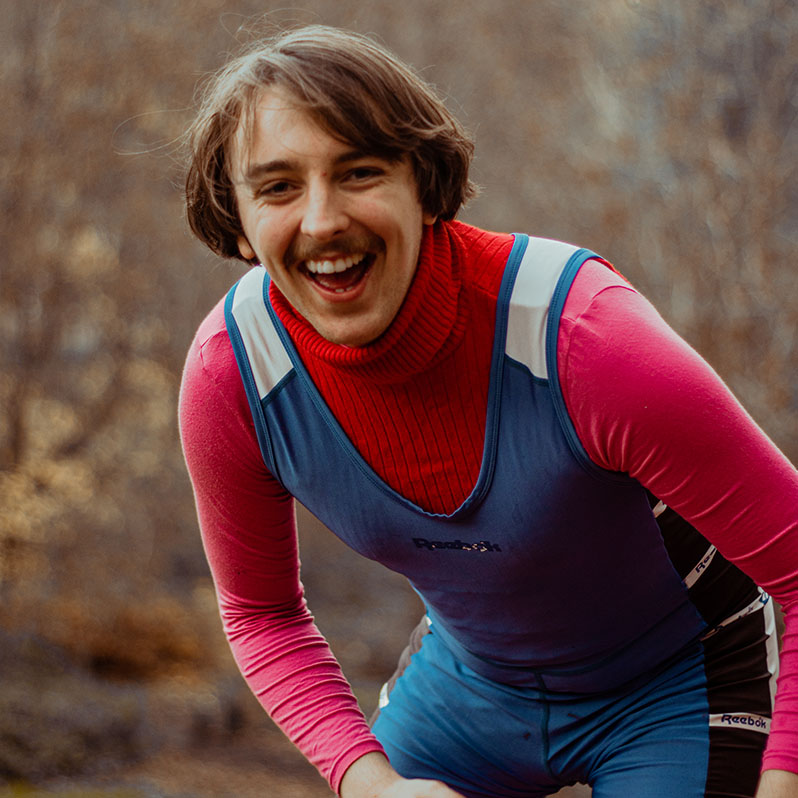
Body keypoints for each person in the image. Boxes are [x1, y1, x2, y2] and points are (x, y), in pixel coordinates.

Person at [178, 25, 798, 798]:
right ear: (235, 222)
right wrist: (372, 785)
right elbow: (261, 611)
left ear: (424, 185)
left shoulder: (584, 341)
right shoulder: (235, 377)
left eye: (359, 172)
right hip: (471, 691)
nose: (322, 220)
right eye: (277, 187)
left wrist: (785, 775)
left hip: (679, 680)